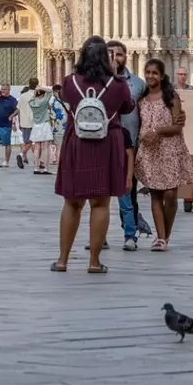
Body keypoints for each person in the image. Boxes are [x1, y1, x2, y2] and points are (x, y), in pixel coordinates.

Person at [52, 36, 135, 275]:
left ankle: (62, 260)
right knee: (100, 203)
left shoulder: (69, 82)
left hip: (76, 144)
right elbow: (128, 107)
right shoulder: (118, 84)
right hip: (106, 144)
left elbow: (66, 99)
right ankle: (94, 262)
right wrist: (115, 74)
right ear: (106, 58)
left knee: (71, 202)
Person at [136, 58, 193, 250]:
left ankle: (165, 234)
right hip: (150, 152)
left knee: (170, 195)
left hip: (170, 149)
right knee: (155, 195)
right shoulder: (141, 98)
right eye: (148, 72)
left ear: (161, 76)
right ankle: (160, 238)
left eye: (155, 73)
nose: (151, 76)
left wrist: (158, 131)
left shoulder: (170, 96)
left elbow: (178, 126)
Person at [108, 41, 146, 250]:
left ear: (127, 56)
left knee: (128, 192)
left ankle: (129, 233)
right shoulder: (95, 83)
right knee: (99, 194)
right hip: (101, 144)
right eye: (110, 54)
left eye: (119, 54)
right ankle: (100, 235)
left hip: (128, 143)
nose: (115, 58)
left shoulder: (138, 85)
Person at [26, 80, 56, 174]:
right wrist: (40, 87)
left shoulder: (31, 102)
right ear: (43, 94)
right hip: (44, 124)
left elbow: (32, 97)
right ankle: (46, 168)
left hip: (36, 125)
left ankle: (36, 167)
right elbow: (51, 91)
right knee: (46, 147)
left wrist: (35, 92)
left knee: (37, 147)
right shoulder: (43, 101)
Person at [0, 84, 19, 167]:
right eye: (1, 89)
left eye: (4, 89)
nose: (2, 91)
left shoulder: (12, 100)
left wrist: (11, 116)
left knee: (7, 143)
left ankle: (6, 161)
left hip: (6, 125)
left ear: (9, 90)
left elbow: (17, 110)